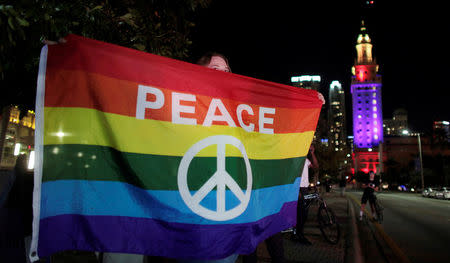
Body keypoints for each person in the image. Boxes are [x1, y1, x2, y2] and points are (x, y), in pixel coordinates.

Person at [294, 145, 319, 245]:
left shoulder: (305, 160)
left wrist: (312, 154)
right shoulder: (295, 160)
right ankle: (298, 235)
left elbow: (316, 166)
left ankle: (298, 233)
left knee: (304, 213)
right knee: (301, 213)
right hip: (298, 189)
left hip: (305, 188)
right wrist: (297, 190)